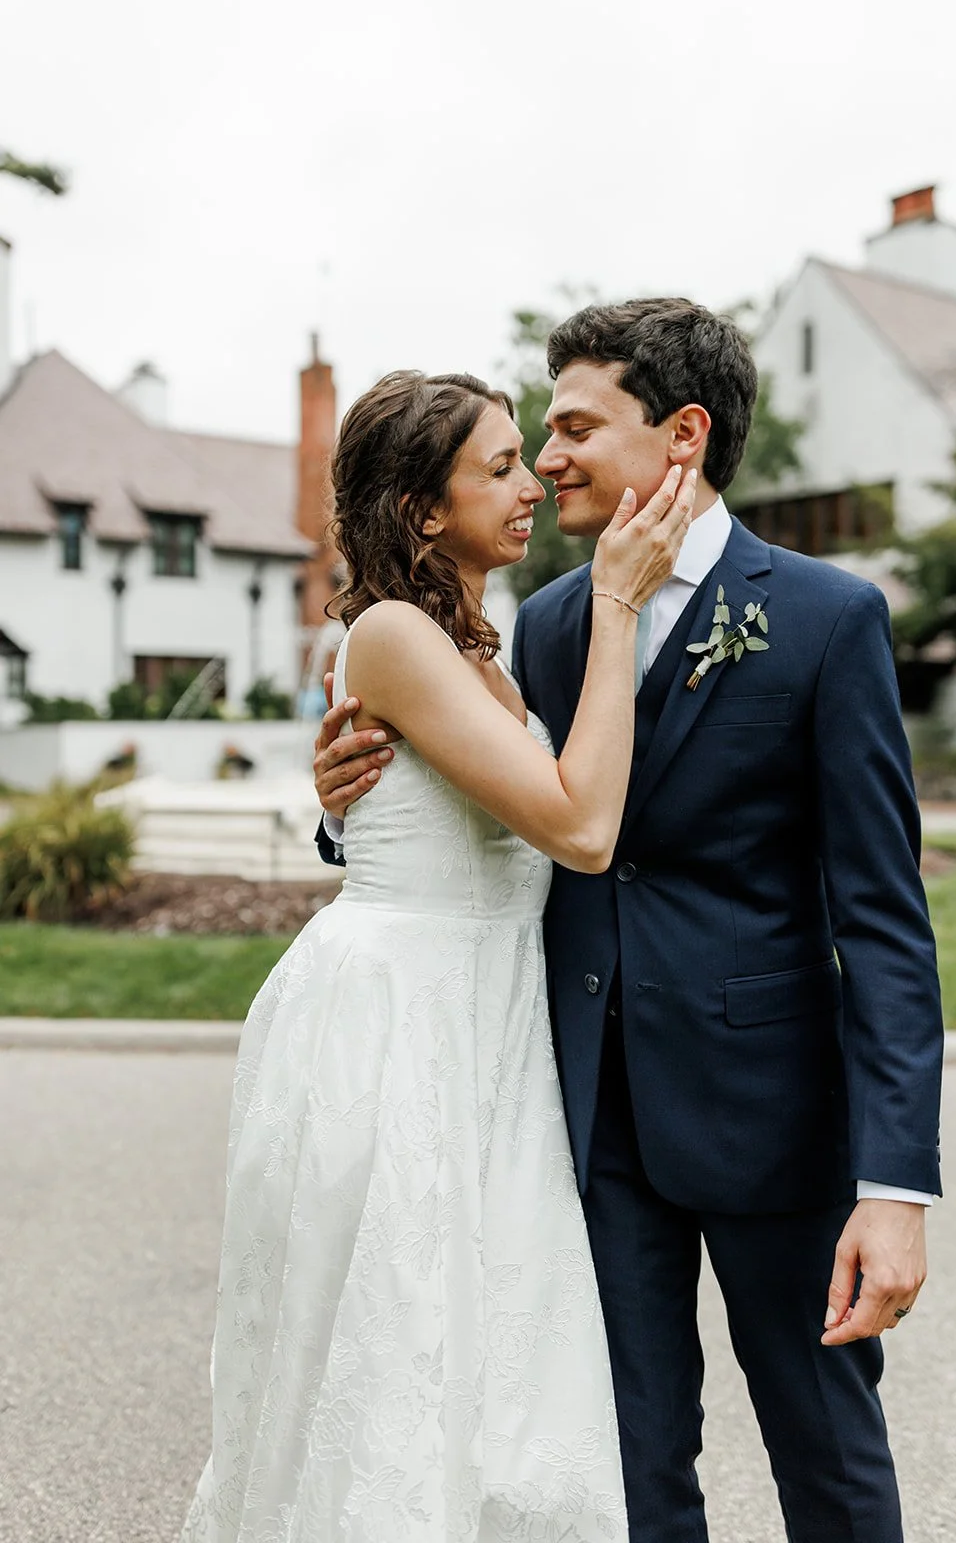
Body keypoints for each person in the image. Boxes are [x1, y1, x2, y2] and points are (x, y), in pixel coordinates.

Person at [314, 302, 945, 1543]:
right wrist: (345, 809)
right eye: (538, 435)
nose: (548, 458)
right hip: (584, 1124)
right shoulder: (538, 628)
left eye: (576, 426)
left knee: (826, 1453)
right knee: (624, 1468)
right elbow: (480, 811)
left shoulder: (824, 619)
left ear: (681, 436)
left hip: (775, 1122)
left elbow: (882, 919)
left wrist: (894, 1185)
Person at [181, 367, 694, 1543]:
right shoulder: (396, 633)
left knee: (488, 1365)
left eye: (528, 455)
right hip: (399, 1027)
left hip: (486, 1025)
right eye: (499, 465)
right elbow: (576, 827)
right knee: (397, 1346)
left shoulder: (474, 640)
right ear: (421, 510)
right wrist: (615, 604)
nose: (533, 483)